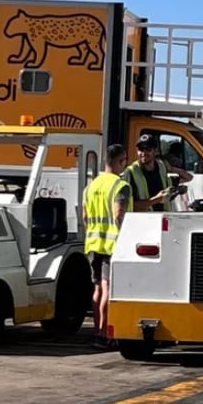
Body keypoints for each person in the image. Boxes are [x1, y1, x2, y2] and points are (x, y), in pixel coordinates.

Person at [82, 143, 132, 349]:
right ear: (120, 161)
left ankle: (96, 332)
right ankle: (106, 333)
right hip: (112, 244)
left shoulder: (91, 186)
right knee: (108, 289)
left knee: (96, 290)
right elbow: (119, 214)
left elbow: (84, 216)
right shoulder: (120, 186)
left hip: (93, 243)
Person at [123, 133, 194, 212]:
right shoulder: (131, 172)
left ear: (156, 151)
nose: (144, 153)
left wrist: (176, 191)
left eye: (148, 149)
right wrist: (156, 199)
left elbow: (188, 177)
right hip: (142, 221)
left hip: (162, 219)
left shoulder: (161, 168)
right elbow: (128, 206)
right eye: (141, 149)